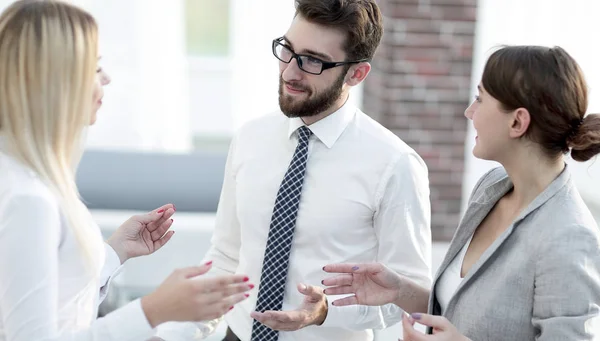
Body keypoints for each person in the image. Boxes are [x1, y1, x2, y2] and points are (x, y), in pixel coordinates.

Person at [155, 1, 431, 340]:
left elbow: (412, 294)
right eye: (287, 50)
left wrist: (326, 312)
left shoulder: (395, 164)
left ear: (356, 73)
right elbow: (227, 255)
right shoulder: (249, 138)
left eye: (312, 61)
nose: (289, 72)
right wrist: (178, 333)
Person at [0, 1, 253, 341]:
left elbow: (51, 294)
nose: (106, 78)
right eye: (94, 68)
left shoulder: (27, 176)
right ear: (60, 78)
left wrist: (114, 252)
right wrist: (155, 310)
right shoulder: (28, 199)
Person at [322, 45, 600, 340]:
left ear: (517, 122)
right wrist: (398, 290)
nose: (470, 111)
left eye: (480, 99)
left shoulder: (570, 236)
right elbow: (467, 309)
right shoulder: (491, 188)